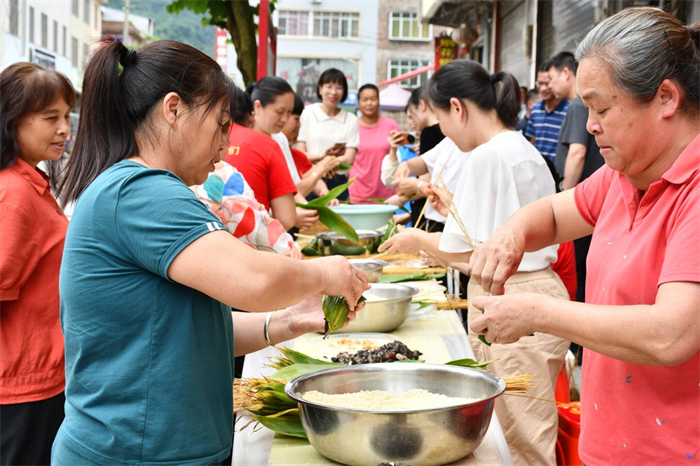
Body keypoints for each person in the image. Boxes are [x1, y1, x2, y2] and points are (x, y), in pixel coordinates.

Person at [52, 38, 368, 466]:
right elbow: (254, 280)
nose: (224, 148)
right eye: (220, 124)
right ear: (173, 109)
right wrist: (329, 272)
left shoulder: (142, 189)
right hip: (132, 453)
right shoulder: (141, 192)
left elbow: (196, 335)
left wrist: (289, 320)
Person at [466, 8, 699, 466]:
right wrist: (511, 234)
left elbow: (673, 334)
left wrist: (536, 311)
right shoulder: (624, 174)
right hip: (610, 445)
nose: (591, 126)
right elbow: (554, 213)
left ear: (666, 98)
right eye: (586, 109)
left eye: (602, 108)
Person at [379, 60, 571, 466]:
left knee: (520, 439)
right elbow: (498, 232)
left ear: (457, 108)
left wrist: (416, 239)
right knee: (522, 431)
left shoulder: (488, 156)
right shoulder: (519, 148)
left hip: (515, 297)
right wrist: (451, 208)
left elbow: (475, 257)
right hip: (530, 291)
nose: (443, 131)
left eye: (441, 119)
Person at [0, 62, 74, 466]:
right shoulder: (13, 193)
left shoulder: (32, 182)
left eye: (66, 116)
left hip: (42, 379)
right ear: (12, 120)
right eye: (51, 118)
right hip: (22, 387)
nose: (64, 128)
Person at [547, 51, 605, 303]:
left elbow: (577, 152)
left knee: (580, 272)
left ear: (567, 73)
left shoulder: (579, 105)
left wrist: (565, 196)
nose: (549, 84)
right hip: (592, 200)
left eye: (551, 77)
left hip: (583, 202)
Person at [226, 78, 313, 231]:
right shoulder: (268, 145)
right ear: (256, 107)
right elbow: (286, 218)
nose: (285, 119)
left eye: (289, 112)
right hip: (253, 239)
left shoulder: (213, 139)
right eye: (280, 112)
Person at [382, 86, 445, 228]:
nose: (411, 122)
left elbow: (427, 179)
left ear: (421, 105)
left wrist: (400, 198)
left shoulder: (430, 133)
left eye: (411, 115)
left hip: (433, 216)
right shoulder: (446, 134)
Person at [297, 68, 359, 201]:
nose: (333, 92)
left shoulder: (351, 119)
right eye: (329, 86)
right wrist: (323, 158)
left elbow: (349, 158)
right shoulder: (307, 114)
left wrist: (324, 161)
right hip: (311, 177)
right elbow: (300, 154)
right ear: (320, 89)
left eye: (339, 87)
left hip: (339, 182)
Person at [348, 83, 400, 203]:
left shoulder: (391, 125)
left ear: (379, 101)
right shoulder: (352, 126)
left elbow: (401, 154)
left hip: (386, 192)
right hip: (358, 192)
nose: (369, 104)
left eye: (373, 99)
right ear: (358, 102)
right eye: (364, 100)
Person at [280, 93, 338, 198]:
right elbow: (296, 192)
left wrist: (324, 192)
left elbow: (311, 176)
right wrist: (322, 168)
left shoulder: (297, 156)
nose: (299, 125)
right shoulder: (271, 152)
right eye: (296, 119)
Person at [524, 65, 570, 164]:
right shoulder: (535, 109)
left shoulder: (568, 109)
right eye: (540, 83)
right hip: (538, 169)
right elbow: (531, 141)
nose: (544, 88)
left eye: (547, 83)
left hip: (559, 173)